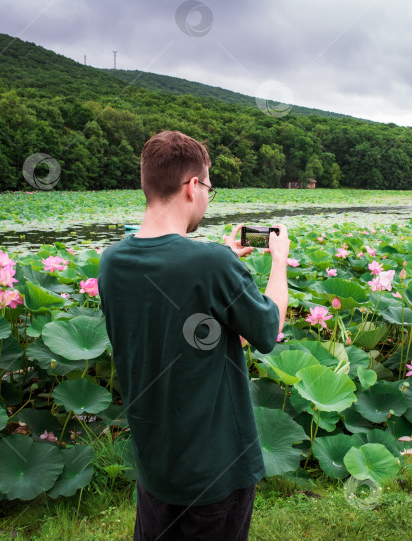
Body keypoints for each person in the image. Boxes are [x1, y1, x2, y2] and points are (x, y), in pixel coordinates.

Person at [98, 130, 290, 541]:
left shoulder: (111, 262)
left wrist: (219, 267)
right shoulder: (211, 263)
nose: (206, 197)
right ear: (191, 186)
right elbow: (269, 331)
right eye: (209, 188)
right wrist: (279, 263)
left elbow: (193, 335)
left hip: (155, 468)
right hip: (215, 471)